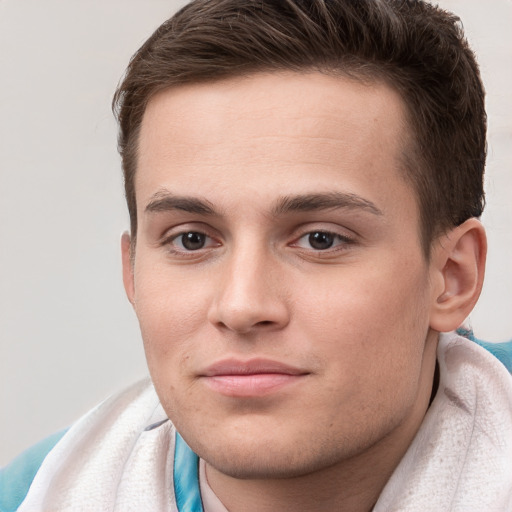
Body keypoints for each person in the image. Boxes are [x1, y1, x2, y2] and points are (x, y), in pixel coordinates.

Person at [1, 0, 512, 510]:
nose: (242, 307)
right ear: (132, 274)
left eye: (320, 239)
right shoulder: (36, 494)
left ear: (452, 277)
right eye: (191, 239)